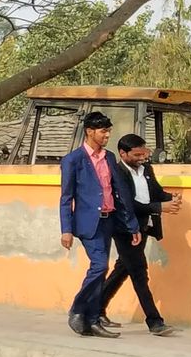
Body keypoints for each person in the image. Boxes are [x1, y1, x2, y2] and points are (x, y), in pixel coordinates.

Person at [59, 111, 137, 338]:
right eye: (103, 131)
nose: (107, 135)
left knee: (100, 268)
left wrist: (131, 225)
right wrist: (66, 230)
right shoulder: (73, 160)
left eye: (108, 131)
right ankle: (80, 310)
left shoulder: (110, 157)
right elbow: (66, 197)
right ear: (90, 131)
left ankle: (89, 319)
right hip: (87, 223)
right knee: (100, 266)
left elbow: (120, 192)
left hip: (109, 220)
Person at [103, 133, 181, 336]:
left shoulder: (146, 169)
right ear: (123, 153)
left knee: (123, 269)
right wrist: (159, 207)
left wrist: (171, 198)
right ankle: (155, 321)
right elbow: (129, 204)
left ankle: (92, 307)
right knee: (139, 273)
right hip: (125, 229)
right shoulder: (117, 173)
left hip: (144, 227)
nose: (141, 158)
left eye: (143, 153)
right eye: (137, 154)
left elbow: (155, 192)